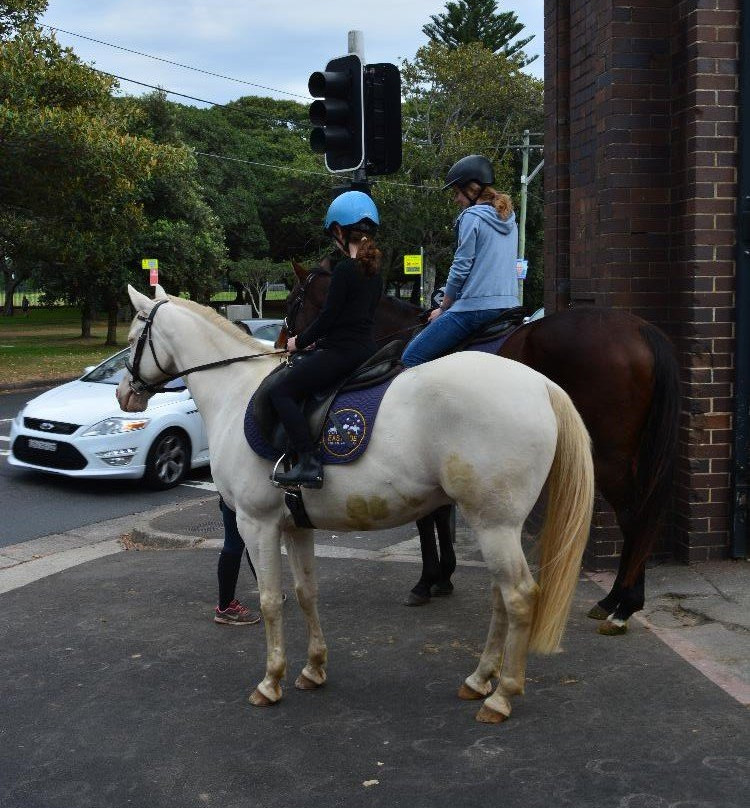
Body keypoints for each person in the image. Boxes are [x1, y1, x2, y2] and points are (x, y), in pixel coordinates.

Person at [269, 191, 383, 488]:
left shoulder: (344, 269)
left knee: (281, 391)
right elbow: (356, 319)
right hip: (367, 350)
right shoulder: (375, 273)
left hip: (342, 353)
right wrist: (319, 342)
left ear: (339, 231)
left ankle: (308, 462)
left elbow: (328, 317)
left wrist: (298, 341)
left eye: (334, 235)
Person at [401, 155, 519, 367]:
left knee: (411, 357)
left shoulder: (471, 217)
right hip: (510, 306)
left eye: (457, 193)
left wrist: (443, 308)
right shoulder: (509, 219)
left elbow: (460, 269)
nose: (456, 200)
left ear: (472, 190)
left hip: (476, 309)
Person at [214, 498, 261, 625]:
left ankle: (268, 590)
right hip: (243, 495)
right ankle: (226, 608)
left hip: (229, 495)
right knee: (239, 543)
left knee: (240, 542)